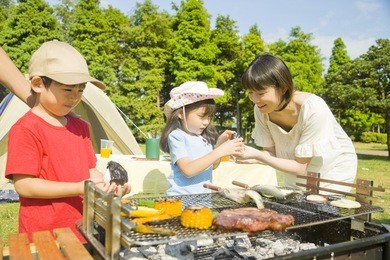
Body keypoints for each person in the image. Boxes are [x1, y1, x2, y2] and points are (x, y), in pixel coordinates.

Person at [5, 40, 130, 242]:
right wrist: (79, 187)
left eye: (80, 90)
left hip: (82, 229)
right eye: (67, 90)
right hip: (43, 235)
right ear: (38, 84)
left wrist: (107, 188)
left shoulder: (81, 127)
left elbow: (90, 171)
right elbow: (24, 185)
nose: (75, 98)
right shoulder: (26, 128)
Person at [235, 53, 357, 193]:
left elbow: (300, 167)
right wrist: (253, 157)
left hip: (332, 169)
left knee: (322, 209)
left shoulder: (313, 108)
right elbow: (270, 154)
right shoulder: (261, 110)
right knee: (295, 207)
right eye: (250, 92)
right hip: (295, 169)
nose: (255, 100)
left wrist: (258, 155)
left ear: (283, 88)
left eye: (261, 93)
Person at [160, 81, 244, 195]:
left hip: (203, 198)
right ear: (181, 113)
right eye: (201, 116)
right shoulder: (177, 136)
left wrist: (219, 145)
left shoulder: (203, 137)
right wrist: (219, 151)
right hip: (181, 198)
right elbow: (188, 170)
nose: (206, 122)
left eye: (209, 117)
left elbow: (213, 165)